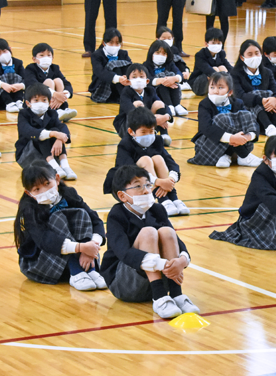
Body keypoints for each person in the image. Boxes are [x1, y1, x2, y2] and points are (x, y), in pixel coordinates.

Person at [103, 165, 199, 318]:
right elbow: (123, 252)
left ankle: (176, 294)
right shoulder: (116, 215)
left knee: (167, 231)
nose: (146, 190)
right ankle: (159, 297)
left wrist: (182, 260)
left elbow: (177, 241)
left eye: (148, 184)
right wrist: (162, 264)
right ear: (122, 196)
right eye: (138, 186)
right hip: (125, 283)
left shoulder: (157, 209)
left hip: (162, 276)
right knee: (148, 232)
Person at [14, 162, 106, 291]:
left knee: (82, 214)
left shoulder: (69, 194)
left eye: (47, 184)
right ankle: (76, 272)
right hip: (43, 263)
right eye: (37, 189)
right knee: (58, 218)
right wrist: (81, 247)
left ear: (57, 179)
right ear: (28, 193)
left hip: (80, 257)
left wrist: (91, 247)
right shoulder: (29, 209)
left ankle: (90, 269)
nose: (44, 191)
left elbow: (96, 221)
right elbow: (44, 240)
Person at [104, 107, 189, 217]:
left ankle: (173, 199)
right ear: (131, 132)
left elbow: (171, 163)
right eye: (143, 132)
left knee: (158, 158)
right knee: (146, 159)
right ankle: (162, 200)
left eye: (151, 131)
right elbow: (128, 172)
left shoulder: (157, 141)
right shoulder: (125, 144)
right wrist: (157, 181)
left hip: (149, 185)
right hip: (127, 187)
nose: (148, 135)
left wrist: (170, 180)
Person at [187, 72, 262, 168]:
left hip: (239, 142)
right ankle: (244, 156)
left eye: (220, 87)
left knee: (247, 114)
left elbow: (251, 122)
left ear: (230, 92)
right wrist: (231, 138)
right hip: (209, 144)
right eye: (212, 87)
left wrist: (247, 137)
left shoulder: (238, 103)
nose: (215, 91)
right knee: (222, 118)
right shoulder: (204, 104)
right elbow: (206, 128)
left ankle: (228, 155)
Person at [15, 83, 75, 180]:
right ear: (28, 103)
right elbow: (28, 131)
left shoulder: (52, 113)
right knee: (43, 133)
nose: (40, 103)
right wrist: (53, 134)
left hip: (49, 153)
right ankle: (55, 168)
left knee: (56, 129)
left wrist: (60, 139)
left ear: (50, 102)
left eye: (44, 100)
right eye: (36, 100)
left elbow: (62, 126)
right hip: (28, 154)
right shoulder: (23, 114)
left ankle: (65, 166)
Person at [231, 40, 276, 138]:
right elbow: (240, 96)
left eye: (257, 53)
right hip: (246, 112)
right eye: (250, 54)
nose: (254, 57)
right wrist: (261, 100)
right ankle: (268, 126)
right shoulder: (235, 74)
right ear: (242, 57)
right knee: (256, 97)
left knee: (271, 95)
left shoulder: (267, 72)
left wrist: (275, 99)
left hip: (268, 111)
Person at [113, 63, 169, 141]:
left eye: (141, 77)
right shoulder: (126, 92)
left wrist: (166, 117)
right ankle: (136, 135)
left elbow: (165, 106)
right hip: (127, 125)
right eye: (134, 77)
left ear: (147, 81)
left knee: (158, 104)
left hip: (147, 123)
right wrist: (153, 119)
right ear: (128, 81)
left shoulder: (150, 90)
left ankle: (164, 135)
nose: (138, 79)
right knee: (138, 104)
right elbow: (130, 111)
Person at [23, 43, 77, 122]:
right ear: (34, 59)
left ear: (53, 57)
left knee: (58, 80)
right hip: (37, 103)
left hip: (54, 100)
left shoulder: (55, 68)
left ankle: (62, 109)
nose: (46, 58)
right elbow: (34, 85)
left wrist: (63, 96)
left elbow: (67, 84)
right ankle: (51, 112)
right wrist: (54, 93)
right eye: (41, 55)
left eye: (49, 55)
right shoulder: (30, 68)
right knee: (49, 81)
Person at [143, 41, 187, 118]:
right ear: (151, 53)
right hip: (155, 93)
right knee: (162, 85)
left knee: (174, 83)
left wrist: (174, 78)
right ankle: (169, 106)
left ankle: (177, 105)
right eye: (158, 52)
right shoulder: (145, 65)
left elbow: (179, 73)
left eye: (164, 54)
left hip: (171, 90)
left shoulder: (170, 64)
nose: (161, 56)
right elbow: (147, 80)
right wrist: (161, 81)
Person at [88, 28, 131, 103]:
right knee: (114, 65)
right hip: (102, 86)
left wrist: (125, 77)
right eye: (111, 43)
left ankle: (126, 95)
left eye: (117, 43)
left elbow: (130, 68)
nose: (114, 46)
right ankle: (125, 97)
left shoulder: (123, 54)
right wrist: (118, 78)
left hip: (120, 86)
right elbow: (100, 72)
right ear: (104, 43)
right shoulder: (97, 55)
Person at [0, 38, 25, 112]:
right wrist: (3, 85)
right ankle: (9, 103)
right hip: (0, 97)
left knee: (17, 79)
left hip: (15, 92)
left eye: (4, 51)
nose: (3, 55)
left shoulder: (18, 63)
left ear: (10, 49)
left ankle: (19, 101)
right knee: (0, 80)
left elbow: (26, 77)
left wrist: (20, 85)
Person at [190, 28, 232, 96]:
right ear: (206, 44)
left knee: (223, 68)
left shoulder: (221, 54)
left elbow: (229, 67)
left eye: (219, 43)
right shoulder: (200, 55)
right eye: (213, 43)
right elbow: (208, 70)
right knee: (215, 69)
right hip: (199, 85)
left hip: (215, 82)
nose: (216, 45)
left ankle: (226, 90)